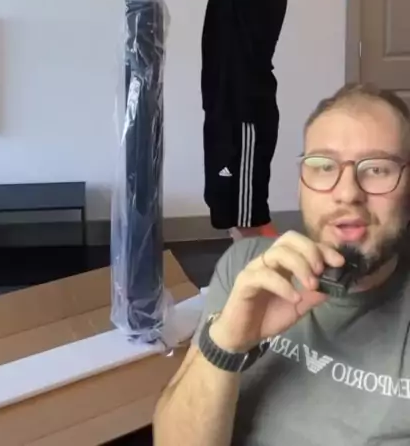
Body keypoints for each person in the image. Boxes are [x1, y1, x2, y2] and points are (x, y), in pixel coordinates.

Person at [153, 83, 410, 446]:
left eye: (378, 169)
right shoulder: (248, 268)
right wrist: (228, 341)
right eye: (323, 166)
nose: (347, 193)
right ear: (301, 186)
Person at [121, 0, 295, 239]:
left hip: (246, 116)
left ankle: (281, 278)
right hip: (224, 112)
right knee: (234, 213)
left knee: (249, 219)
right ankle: (247, 274)